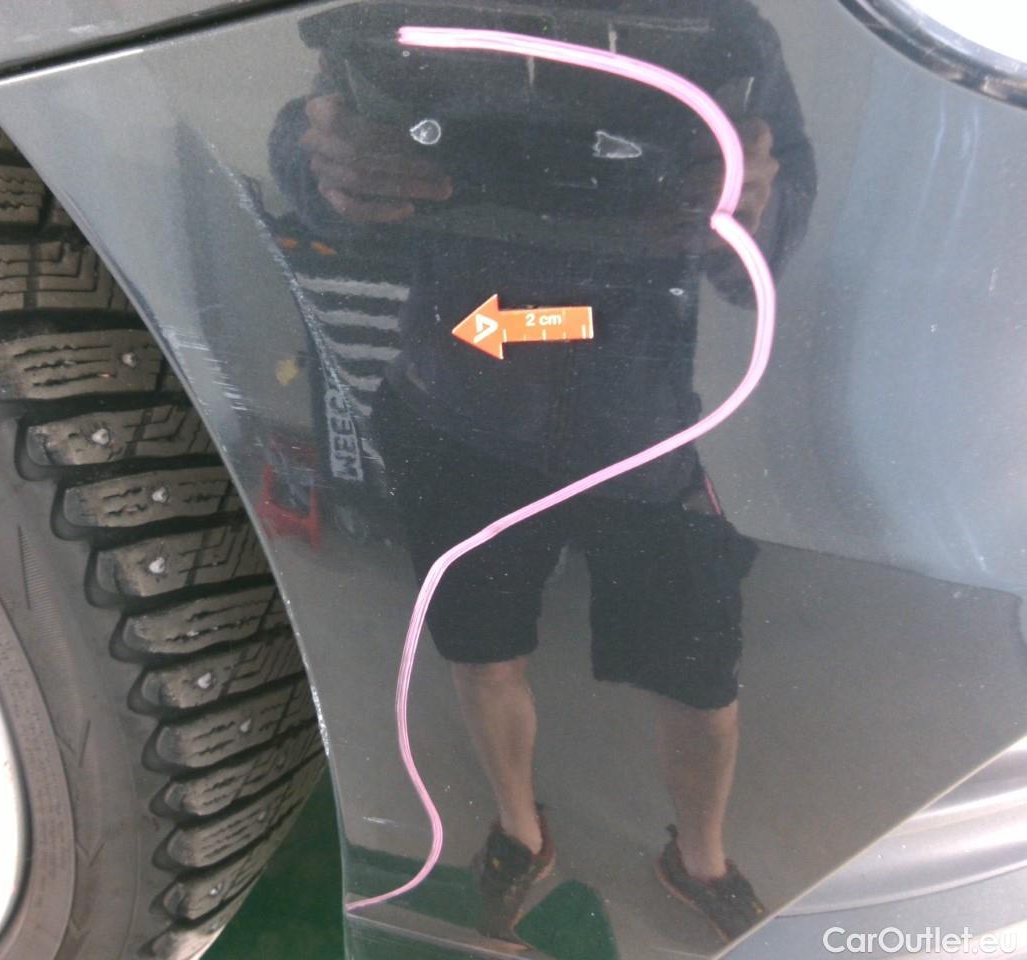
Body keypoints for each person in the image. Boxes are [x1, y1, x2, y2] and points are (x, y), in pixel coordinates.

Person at [271, 0, 815, 943]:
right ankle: (520, 831)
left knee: (700, 682)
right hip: (464, 412)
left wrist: (752, 210)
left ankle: (701, 858)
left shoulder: (719, 24)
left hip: (633, 425)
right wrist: (321, 168)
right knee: (483, 655)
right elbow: (321, 138)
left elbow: (776, 215)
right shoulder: (420, 12)